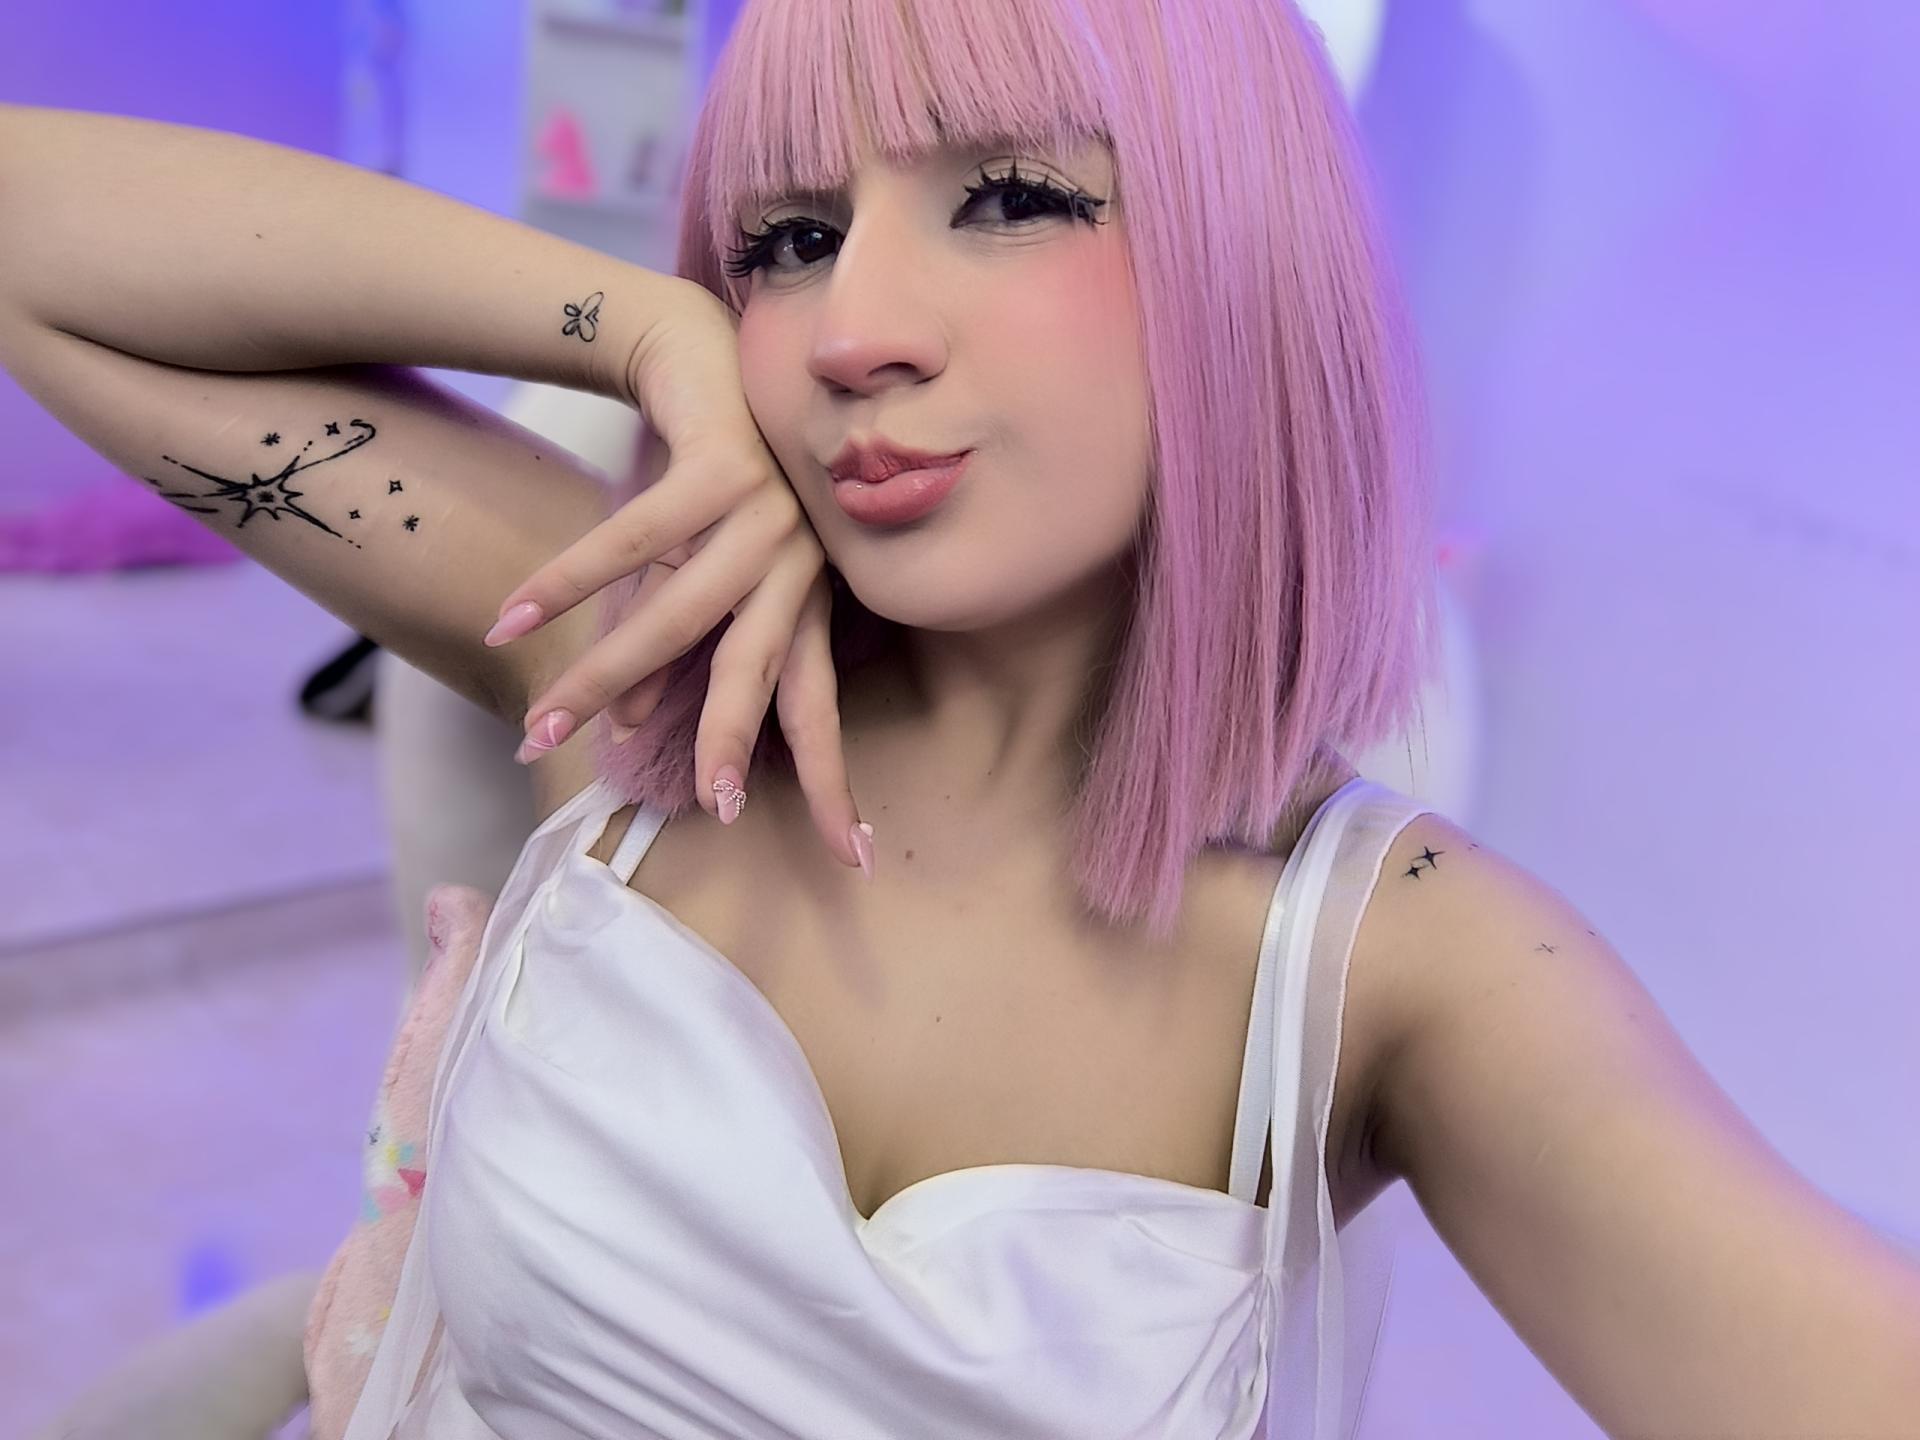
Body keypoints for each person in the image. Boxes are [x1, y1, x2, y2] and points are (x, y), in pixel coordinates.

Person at [3, 2, 1916, 1438]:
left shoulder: (1403, 970)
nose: (855, 331)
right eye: (786, 239)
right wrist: (639, 323)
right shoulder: (649, 665)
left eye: (1007, 199)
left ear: (1250, 262)